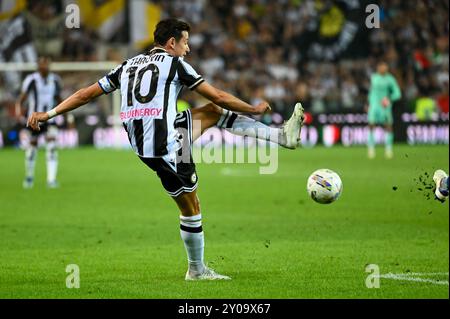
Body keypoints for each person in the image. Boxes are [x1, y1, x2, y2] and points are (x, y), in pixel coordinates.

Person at [27, 19, 304, 280]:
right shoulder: (175, 64)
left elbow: (85, 94)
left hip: (147, 143)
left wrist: (49, 113)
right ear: (171, 43)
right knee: (191, 206)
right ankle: (196, 271)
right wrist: (253, 108)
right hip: (166, 147)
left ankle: (282, 137)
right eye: (185, 42)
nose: (188, 48)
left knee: (211, 113)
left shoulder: (128, 65)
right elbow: (217, 93)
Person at [16, 56, 63, 188]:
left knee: (52, 146)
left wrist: (66, 116)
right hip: (34, 118)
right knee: (32, 146)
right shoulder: (31, 80)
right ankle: (29, 177)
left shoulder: (55, 80)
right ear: (38, 66)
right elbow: (21, 100)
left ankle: (51, 179)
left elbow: (60, 99)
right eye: (42, 64)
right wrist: (19, 114)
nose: (44, 67)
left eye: (46, 64)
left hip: (50, 118)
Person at [367, 61, 401, 159]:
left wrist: (389, 99)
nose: (383, 68)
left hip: (384, 107)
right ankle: (371, 148)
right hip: (374, 105)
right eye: (381, 67)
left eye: (384, 67)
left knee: (388, 126)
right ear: (378, 68)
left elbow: (397, 93)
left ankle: (388, 149)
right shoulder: (373, 77)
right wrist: (368, 103)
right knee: (371, 125)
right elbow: (371, 92)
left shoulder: (390, 79)